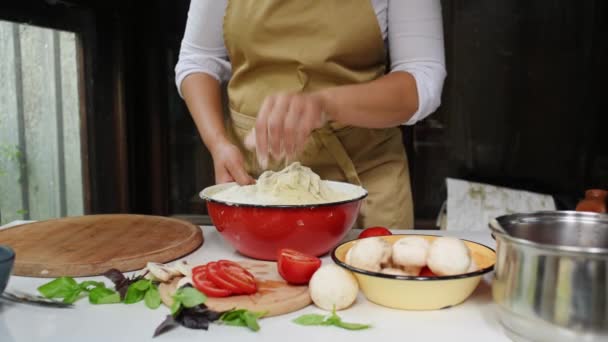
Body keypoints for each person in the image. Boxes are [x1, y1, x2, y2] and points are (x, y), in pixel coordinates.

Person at [175, 0, 446, 229]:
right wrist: (217, 142)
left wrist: (327, 104)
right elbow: (198, 59)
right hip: (254, 187)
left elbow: (422, 77)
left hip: (366, 186)